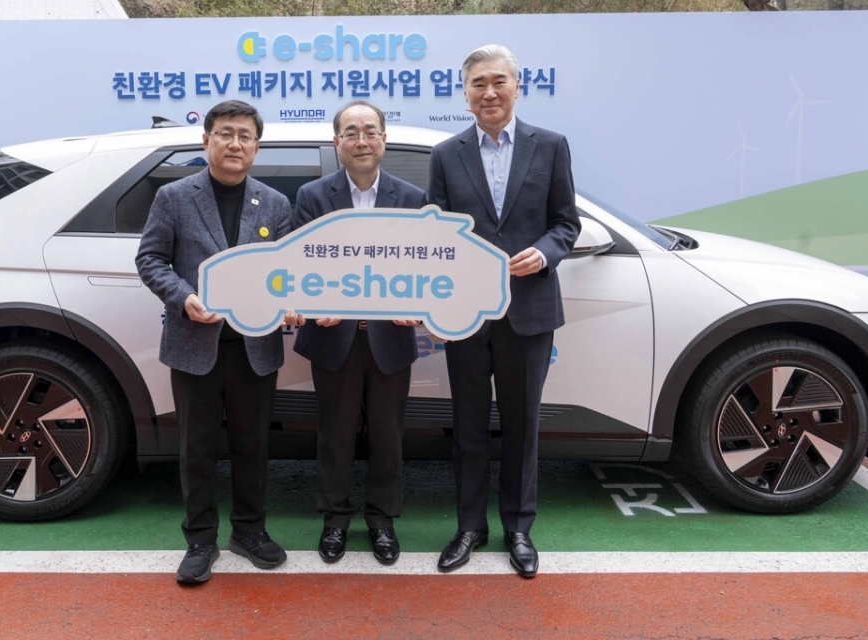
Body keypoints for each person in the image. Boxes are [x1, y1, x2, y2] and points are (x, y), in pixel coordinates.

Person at [427, 44, 581, 578]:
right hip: (466, 315)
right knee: (467, 425)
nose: (488, 92)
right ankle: (469, 527)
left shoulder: (551, 146)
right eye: (477, 84)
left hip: (529, 309)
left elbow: (567, 223)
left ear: (518, 86)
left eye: (498, 81)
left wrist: (545, 252)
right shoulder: (446, 156)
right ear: (464, 93)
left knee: (522, 425)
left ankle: (518, 528)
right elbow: (436, 239)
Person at [135, 99, 297, 585]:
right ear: (206, 141)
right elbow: (151, 260)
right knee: (197, 447)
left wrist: (289, 298)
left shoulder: (274, 203)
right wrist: (183, 298)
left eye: (245, 136)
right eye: (225, 133)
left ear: (256, 147)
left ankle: (249, 531)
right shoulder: (175, 198)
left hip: (254, 347)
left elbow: (286, 274)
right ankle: (200, 539)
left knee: (253, 444)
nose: (235, 143)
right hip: (194, 342)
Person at [292, 101, 427, 565]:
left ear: (384, 139)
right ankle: (334, 521)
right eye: (351, 132)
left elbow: (424, 266)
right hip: (334, 339)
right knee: (336, 431)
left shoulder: (411, 198)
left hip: (391, 337)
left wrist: (420, 305)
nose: (361, 140)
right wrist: (314, 306)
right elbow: (300, 263)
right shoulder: (312, 196)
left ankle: (382, 520)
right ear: (337, 143)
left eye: (370, 131)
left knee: (388, 433)